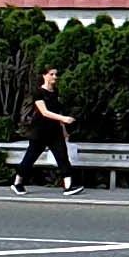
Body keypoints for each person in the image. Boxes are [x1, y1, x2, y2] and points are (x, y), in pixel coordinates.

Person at [14, 64, 78, 192]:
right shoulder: (38, 93)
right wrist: (64, 118)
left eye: (56, 74)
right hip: (39, 131)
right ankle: (17, 183)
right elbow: (45, 112)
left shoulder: (55, 92)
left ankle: (68, 186)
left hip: (55, 130)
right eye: (52, 74)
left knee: (62, 156)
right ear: (44, 76)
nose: (55, 77)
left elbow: (56, 110)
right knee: (30, 157)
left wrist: (64, 129)